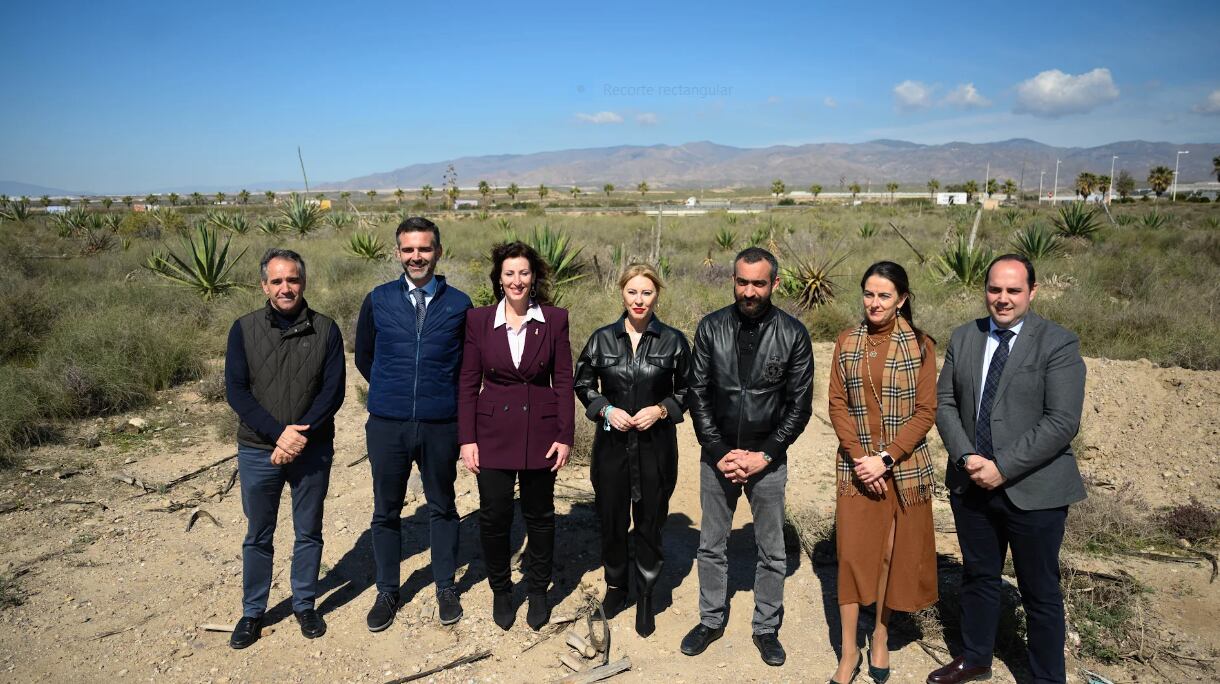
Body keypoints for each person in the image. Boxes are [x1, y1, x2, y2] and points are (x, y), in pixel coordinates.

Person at [929, 254, 1086, 684]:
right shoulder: (965, 337)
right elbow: (944, 405)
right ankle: (975, 657)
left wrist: (1003, 468)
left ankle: (1046, 676)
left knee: (1040, 591)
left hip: (1035, 490)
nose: (1002, 299)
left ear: (1032, 292)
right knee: (979, 576)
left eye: (1013, 290)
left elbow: (1062, 421)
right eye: (995, 289)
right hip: (972, 484)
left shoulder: (1058, 343)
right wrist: (965, 458)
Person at [681, 247, 813, 667]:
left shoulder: (793, 333)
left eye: (759, 283)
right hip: (717, 457)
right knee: (711, 545)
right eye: (742, 282)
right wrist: (718, 452)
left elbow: (799, 404)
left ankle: (766, 627)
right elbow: (697, 393)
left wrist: (766, 455)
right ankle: (711, 618)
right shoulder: (711, 328)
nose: (749, 291)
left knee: (772, 550)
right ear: (733, 281)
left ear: (774, 283)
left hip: (767, 459)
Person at [354, 217, 473, 632]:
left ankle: (445, 586)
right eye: (408, 249)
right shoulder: (379, 299)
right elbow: (365, 357)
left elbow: (467, 366)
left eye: (424, 249)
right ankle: (388, 591)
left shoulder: (459, 303)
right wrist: (394, 391)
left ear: (438, 251)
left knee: (442, 506)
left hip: (441, 423)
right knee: (386, 510)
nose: (416, 256)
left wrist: (435, 398)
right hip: (388, 424)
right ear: (398, 252)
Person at [224, 248, 346, 648]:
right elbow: (237, 392)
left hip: (311, 450)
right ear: (264, 286)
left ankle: (305, 603)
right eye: (276, 281)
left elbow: (332, 393)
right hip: (259, 450)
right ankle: (252, 611)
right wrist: (280, 435)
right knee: (258, 533)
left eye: (292, 279)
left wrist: (299, 437)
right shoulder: (243, 329)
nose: (285, 287)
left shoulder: (326, 330)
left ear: (303, 282)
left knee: (308, 531)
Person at [828, 261, 938, 684]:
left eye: (884, 296)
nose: (875, 303)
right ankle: (848, 650)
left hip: (903, 469)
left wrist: (886, 458)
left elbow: (926, 411)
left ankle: (880, 635)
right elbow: (837, 403)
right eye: (869, 294)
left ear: (902, 300)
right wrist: (861, 459)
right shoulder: (847, 341)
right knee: (853, 558)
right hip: (856, 469)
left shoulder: (922, 346)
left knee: (891, 557)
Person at [457, 241, 574, 631]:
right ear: (499, 279)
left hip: (541, 431)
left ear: (535, 277)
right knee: (494, 516)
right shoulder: (478, 320)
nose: (517, 280)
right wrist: (467, 438)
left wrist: (565, 434)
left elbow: (563, 380)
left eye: (524, 273)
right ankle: (502, 590)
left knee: (540, 515)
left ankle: (538, 589)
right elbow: (469, 380)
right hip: (491, 434)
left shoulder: (555, 319)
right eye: (509, 273)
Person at [573, 263, 691, 637]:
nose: (639, 300)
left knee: (650, 521)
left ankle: (646, 594)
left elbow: (688, 389)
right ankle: (616, 586)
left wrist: (660, 411)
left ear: (657, 295)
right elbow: (583, 384)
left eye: (647, 293)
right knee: (611, 520)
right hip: (611, 447)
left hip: (656, 448)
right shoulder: (602, 339)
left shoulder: (673, 341)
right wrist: (606, 409)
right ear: (621, 293)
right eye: (632, 292)